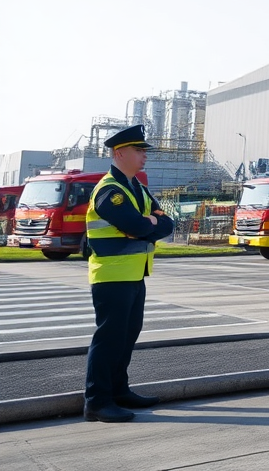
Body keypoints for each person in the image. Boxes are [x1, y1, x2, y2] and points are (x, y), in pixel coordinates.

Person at [84, 124, 175, 422]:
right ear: (119, 153)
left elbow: (167, 224)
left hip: (135, 274)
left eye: (144, 151)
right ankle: (97, 401)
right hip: (112, 275)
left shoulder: (138, 187)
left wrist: (147, 224)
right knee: (109, 339)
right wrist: (146, 225)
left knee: (127, 336)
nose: (144, 156)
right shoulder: (111, 191)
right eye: (139, 151)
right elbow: (138, 226)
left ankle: (119, 390)